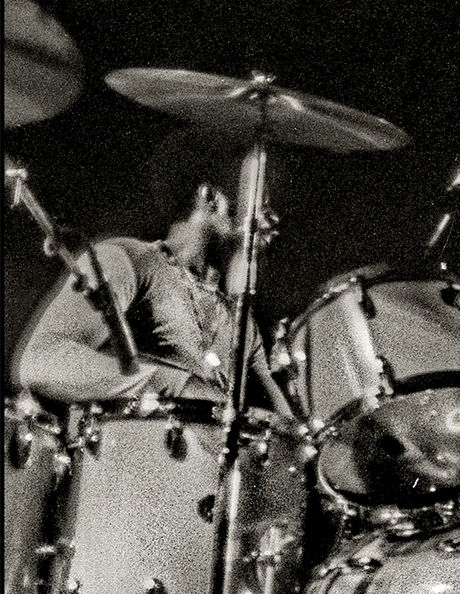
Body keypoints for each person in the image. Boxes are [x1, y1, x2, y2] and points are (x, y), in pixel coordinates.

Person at [14, 130, 270, 405]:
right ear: (210, 197)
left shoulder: (241, 322)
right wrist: (175, 385)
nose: (272, 218)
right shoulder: (127, 260)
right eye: (261, 204)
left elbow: (289, 433)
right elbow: (40, 360)